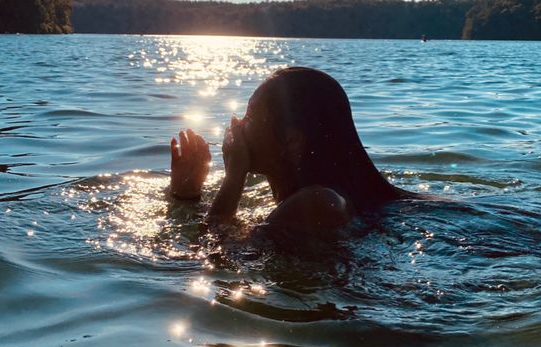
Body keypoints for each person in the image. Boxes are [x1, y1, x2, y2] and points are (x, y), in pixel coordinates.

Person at [169, 66, 414, 230]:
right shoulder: (314, 198)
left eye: (250, 116)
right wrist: (187, 194)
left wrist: (234, 175)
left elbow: (214, 256)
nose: (237, 123)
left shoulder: (316, 202)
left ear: (292, 141)